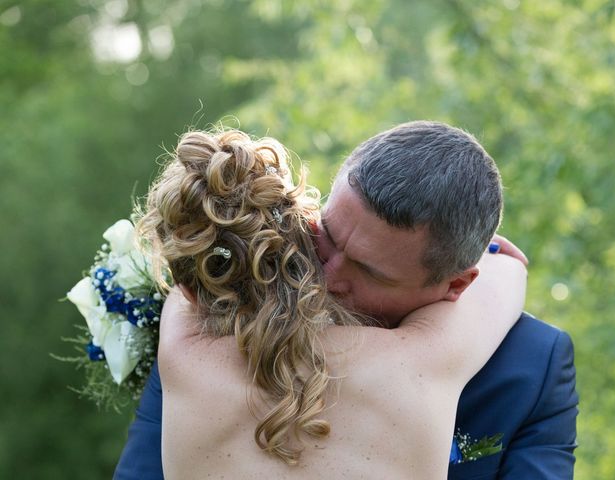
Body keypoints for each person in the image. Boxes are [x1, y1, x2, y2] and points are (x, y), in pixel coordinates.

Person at [115, 122, 577, 479]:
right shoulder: (426, 360)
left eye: (370, 271)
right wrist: (499, 255)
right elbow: (508, 275)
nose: (328, 277)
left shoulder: (186, 344)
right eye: (326, 235)